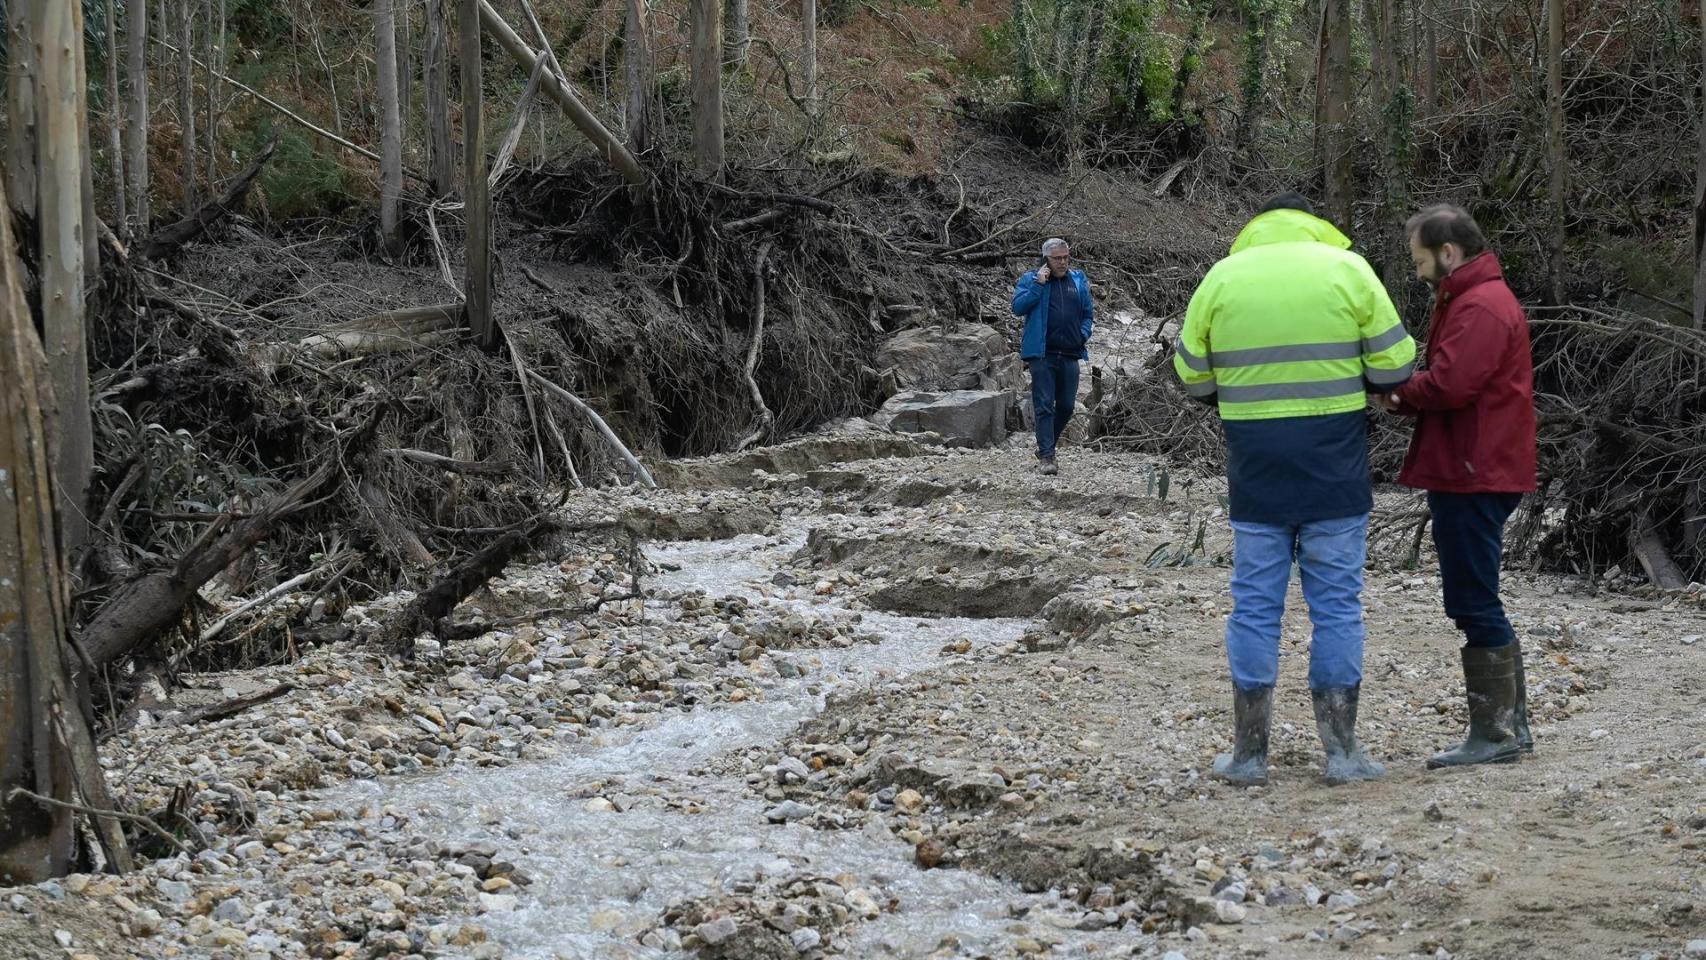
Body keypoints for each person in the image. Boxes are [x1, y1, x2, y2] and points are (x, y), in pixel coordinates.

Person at [1174, 193, 1416, 786]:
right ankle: (1342, 753)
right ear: (1314, 227)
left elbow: (1190, 374)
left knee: (1255, 607)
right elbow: (1395, 365)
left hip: (1256, 470)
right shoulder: (1348, 270)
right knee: (1337, 607)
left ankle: (1250, 756)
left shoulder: (1222, 278)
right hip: (1335, 467)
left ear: (1255, 230)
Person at [1378, 203, 1537, 769]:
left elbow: (1452, 383)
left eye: (1421, 259)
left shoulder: (1480, 306)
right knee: (1477, 596)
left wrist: (1396, 392)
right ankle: (1509, 727)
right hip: (1478, 466)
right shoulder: (1477, 299)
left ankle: (1496, 735)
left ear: (1449, 253)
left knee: (1473, 599)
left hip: (1475, 470)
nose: (1418, 270)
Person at [1011, 238, 1094, 475]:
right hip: (1042, 353)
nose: (1063, 262)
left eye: (1066, 257)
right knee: (1044, 405)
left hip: (1070, 352)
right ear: (1046, 259)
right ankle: (1047, 456)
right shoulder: (1031, 279)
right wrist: (1038, 285)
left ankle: (1046, 445)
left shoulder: (1078, 281)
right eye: (1057, 258)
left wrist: (1083, 333)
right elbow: (1017, 308)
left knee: (1067, 406)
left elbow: (1088, 313)